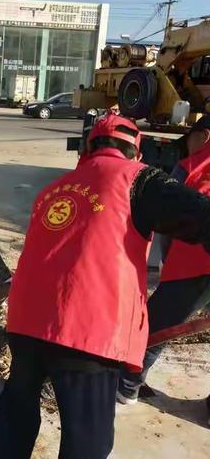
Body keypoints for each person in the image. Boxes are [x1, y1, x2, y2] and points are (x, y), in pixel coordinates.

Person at [0, 112, 210, 459]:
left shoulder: (54, 188)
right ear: (137, 152)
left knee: (16, 411)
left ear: (88, 147)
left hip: (26, 321)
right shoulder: (139, 180)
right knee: (88, 437)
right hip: (86, 331)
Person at [118, 116, 210, 408]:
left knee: (158, 323)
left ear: (204, 136)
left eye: (191, 139)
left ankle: (127, 384)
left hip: (195, 262)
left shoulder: (194, 165)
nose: (188, 147)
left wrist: (168, 263)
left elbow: (168, 219)